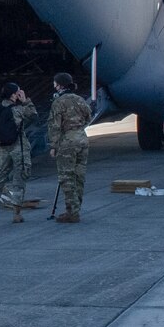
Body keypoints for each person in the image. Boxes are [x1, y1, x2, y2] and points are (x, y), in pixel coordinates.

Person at [0, 81, 37, 222]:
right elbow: (33, 116)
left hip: (1, 150)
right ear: (14, 95)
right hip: (18, 148)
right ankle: (16, 215)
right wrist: (25, 101)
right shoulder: (18, 109)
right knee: (18, 180)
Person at [46, 71, 92, 222]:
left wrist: (53, 146)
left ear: (59, 85)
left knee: (66, 177)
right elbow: (88, 116)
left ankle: (72, 212)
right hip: (82, 139)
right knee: (79, 176)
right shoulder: (79, 99)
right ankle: (76, 208)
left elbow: (54, 126)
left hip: (67, 141)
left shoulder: (58, 102)